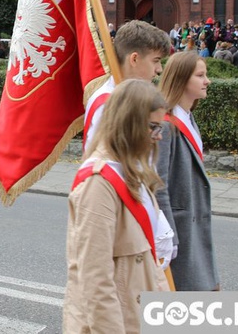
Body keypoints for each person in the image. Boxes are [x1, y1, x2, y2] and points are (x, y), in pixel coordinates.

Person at [64, 80, 171, 333]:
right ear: (129, 123)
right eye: (153, 127)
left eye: (161, 127)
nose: (158, 136)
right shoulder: (98, 183)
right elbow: (95, 278)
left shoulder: (132, 171)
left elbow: (149, 260)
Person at [155, 52, 220, 291]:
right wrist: (168, 237)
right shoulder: (165, 124)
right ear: (182, 80)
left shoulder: (189, 119)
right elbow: (158, 185)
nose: (207, 81)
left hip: (194, 226)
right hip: (179, 231)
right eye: (201, 75)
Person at [83, 20, 171, 147]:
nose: (159, 69)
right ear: (134, 59)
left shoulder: (129, 97)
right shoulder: (109, 103)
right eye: (155, 61)